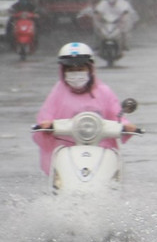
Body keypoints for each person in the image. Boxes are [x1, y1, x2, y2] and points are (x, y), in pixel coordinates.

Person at [32, 42, 137, 175]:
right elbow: (45, 117)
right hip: (67, 151)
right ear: (63, 72)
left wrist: (126, 126)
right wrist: (45, 126)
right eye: (70, 70)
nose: (76, 73)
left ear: (90, 69)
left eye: (81, 69)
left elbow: (117, 115)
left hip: (102, 149)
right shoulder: (57, 93)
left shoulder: (103, 92)